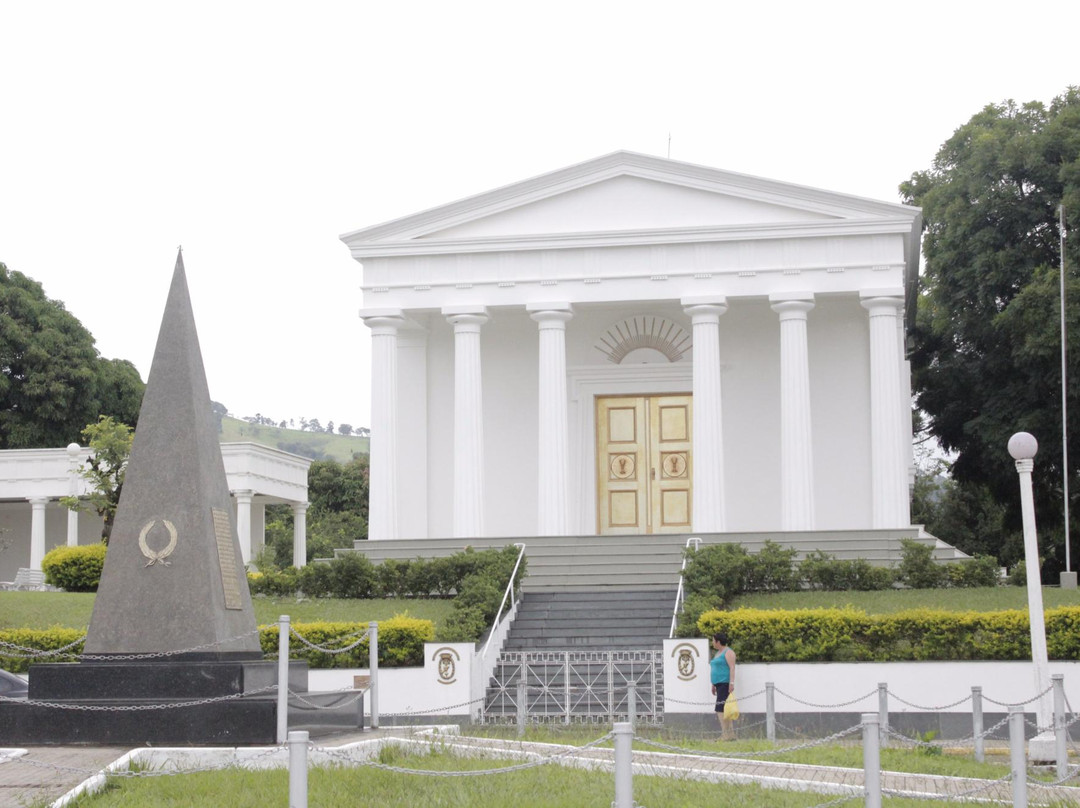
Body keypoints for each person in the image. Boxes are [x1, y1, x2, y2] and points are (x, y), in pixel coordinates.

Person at [710, 631, 737, 740]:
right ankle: (730, 734)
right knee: (723, 708)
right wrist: (713, 683)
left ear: (718, 641)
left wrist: (731, 683)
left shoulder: (728, 652)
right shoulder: (718, 653)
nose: (712, 642)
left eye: (713, 640)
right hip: (718, 684)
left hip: (725, 683)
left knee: (720, 708)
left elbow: (732, 667)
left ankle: (726, 734)